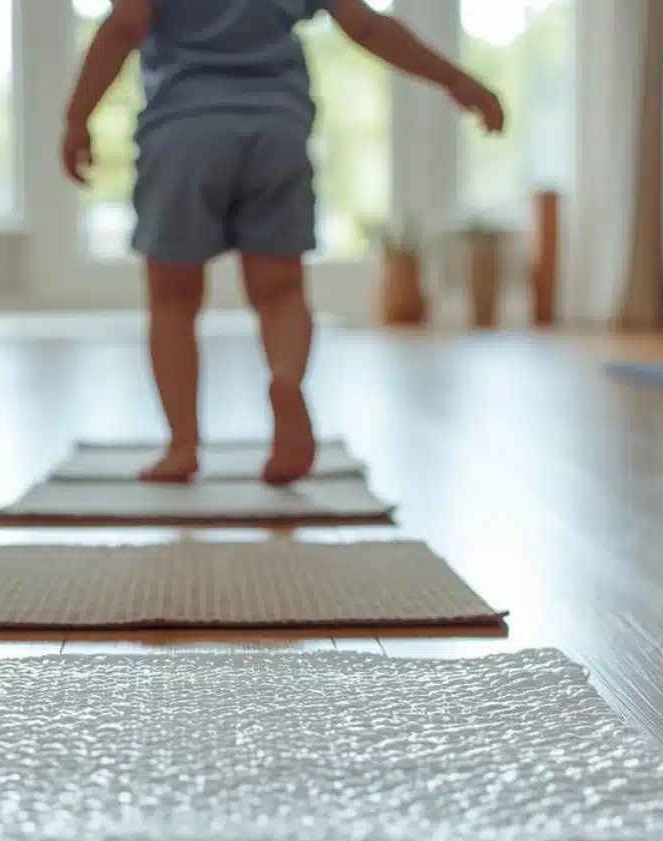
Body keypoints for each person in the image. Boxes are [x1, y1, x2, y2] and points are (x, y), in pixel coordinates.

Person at [62, 0, 506, 484]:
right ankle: (285, 380)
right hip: (276, 130)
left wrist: (78, 115)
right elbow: (367, 26)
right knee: (280, 293)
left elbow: (124, 25)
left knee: (173, 300)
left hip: (183, 130)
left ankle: (182, 446)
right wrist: (456, 80)